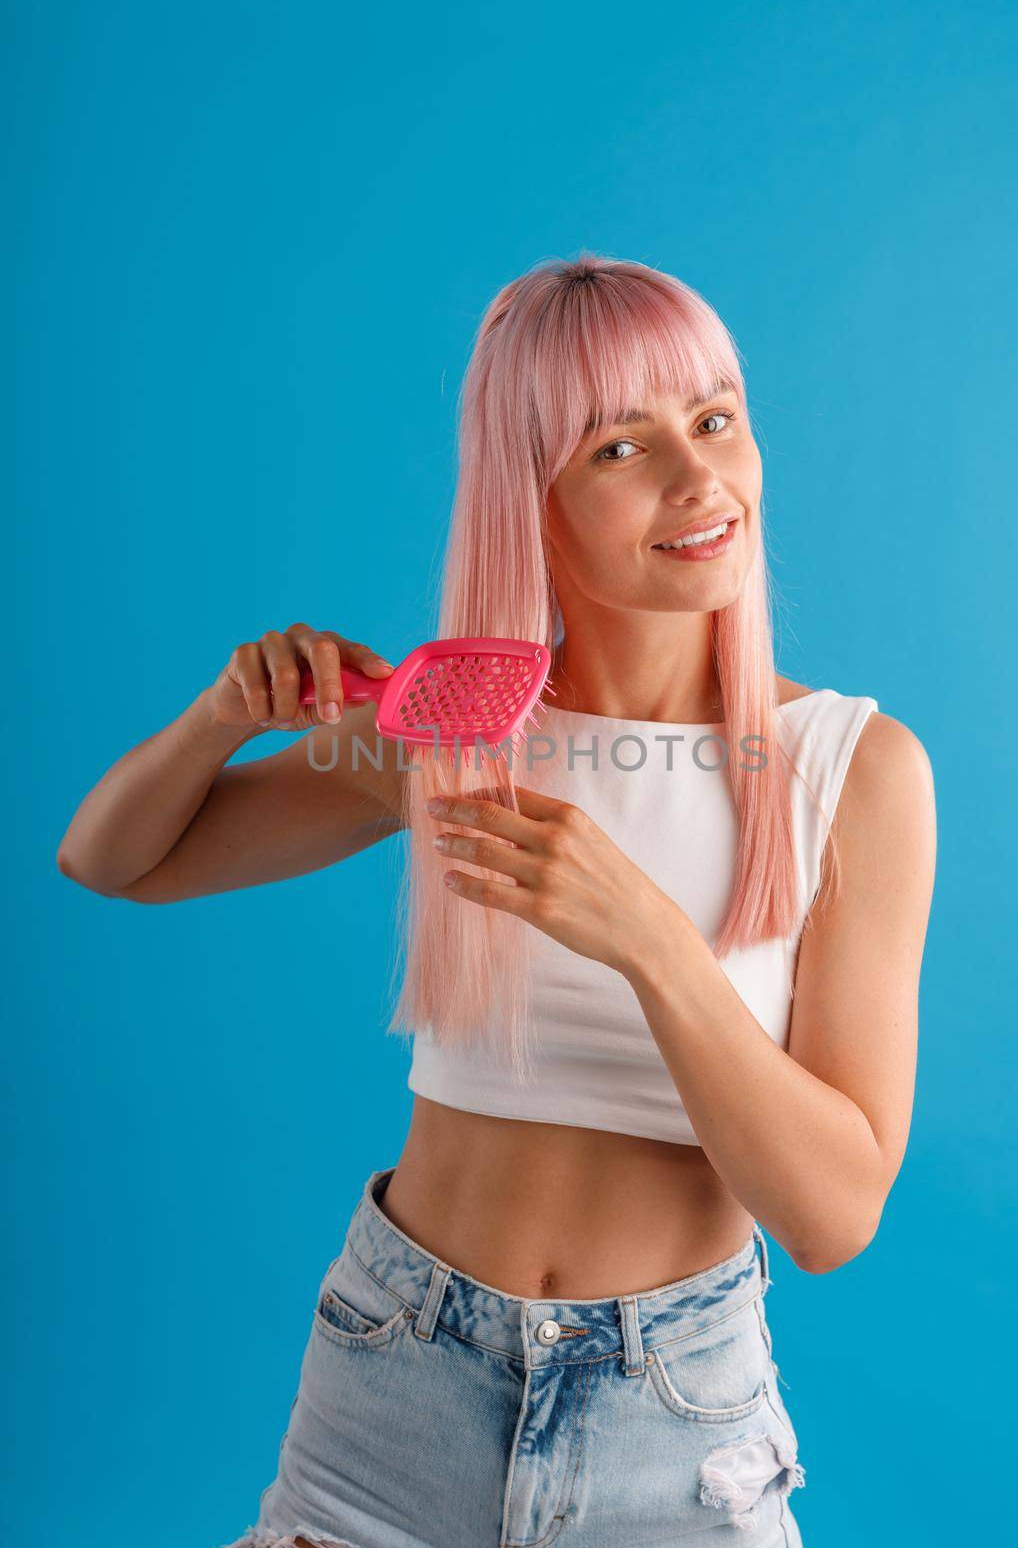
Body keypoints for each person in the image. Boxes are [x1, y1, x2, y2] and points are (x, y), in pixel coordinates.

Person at [57, 254, 937, 1548]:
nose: (701, 480)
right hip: (393, 1377)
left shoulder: (852, 771)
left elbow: (834, 1216)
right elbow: (111, 862)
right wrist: (218, 719)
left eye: (715, 419)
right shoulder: (453, 737)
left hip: (675, 1422)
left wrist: (645, 938)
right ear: (533, 495)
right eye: (621, 447)